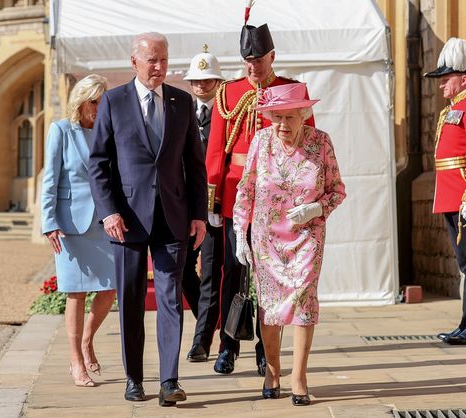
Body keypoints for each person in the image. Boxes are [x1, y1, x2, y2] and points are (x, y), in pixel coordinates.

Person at [88, 32, 207, 406]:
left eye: (164, 59)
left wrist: (199, 215)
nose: (159, 67)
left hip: (173, 217)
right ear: (134, 62)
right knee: (133, 299)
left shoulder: (182, 102)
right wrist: (108, 211)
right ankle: (134, 378)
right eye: (152, 60)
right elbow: (99, 164)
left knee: (171, 300)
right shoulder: (113, 101)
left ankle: (170, 381)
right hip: (126, 220)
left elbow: (194, 165)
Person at [205, 18, 315, 376]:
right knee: (233, 271)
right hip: (240, 195)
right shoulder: (227, 93)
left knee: (275, 278)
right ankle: (228, 344)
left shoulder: (292, 89)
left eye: (259, 59)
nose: (253, 66)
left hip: (281, 202)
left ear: (272, 57)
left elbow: (308, 147)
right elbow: (216, 151)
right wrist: (214, 200)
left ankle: (266, 353)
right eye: (247, 60)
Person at [233, 82, 346, 405]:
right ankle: (272, 371)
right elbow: (247, 189)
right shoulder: (261, 141)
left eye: (289, 117)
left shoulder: (321, 142)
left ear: (303, 114)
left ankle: (298, 376)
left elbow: (337, 190)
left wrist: (316, 208)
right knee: (270, 307)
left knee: (304, 300)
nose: (282, 125)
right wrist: (241, 232)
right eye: (276, 117)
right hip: (267, 238)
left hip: (307, 237)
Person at [41, 74, 117, 387]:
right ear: (81, 101)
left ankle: (87, 341)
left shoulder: (106, 131)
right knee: (75, 293)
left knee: (110, 287)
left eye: (103, 101)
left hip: (103, 222)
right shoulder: (60, 130)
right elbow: (51, 178)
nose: (99, 108)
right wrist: (49, 222)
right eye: (94, 101)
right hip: (70, 224)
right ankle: (75, 361)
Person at [424, 38, 466, 345]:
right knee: (465, 264)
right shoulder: (452, 110)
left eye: (446, 79)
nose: (441, 85)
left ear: (463, 79)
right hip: (451, 198)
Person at [181, 44, 225, 363]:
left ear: (218, 82)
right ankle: (208, 322)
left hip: (214, 206)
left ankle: (202, 339)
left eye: (207, 80)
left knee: (210, 270)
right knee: (182, 268)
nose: (200, 85)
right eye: (196, 81)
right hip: (183, 206)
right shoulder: (181, 110)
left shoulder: (226, 112)